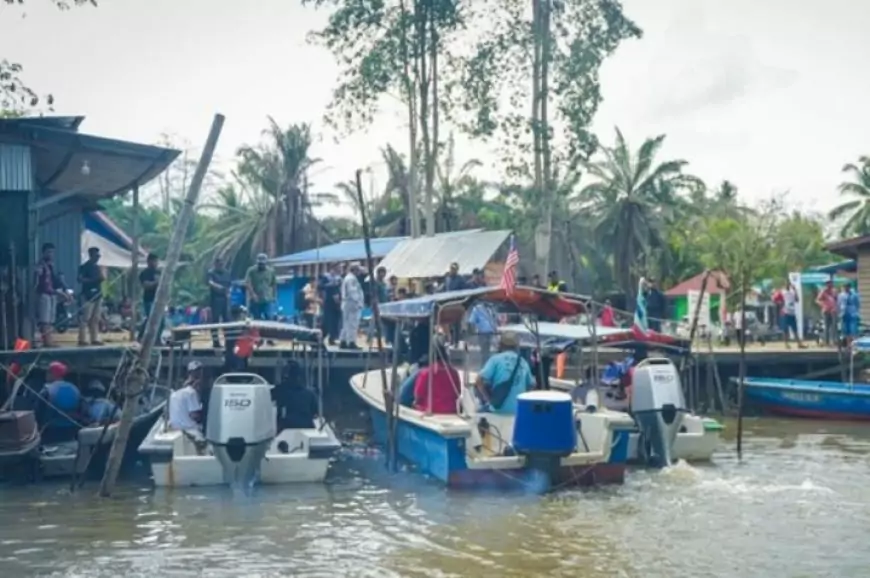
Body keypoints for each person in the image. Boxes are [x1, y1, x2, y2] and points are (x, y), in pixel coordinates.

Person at [474, 331, 534, 414]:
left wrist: (488, 399)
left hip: (498, 409)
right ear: (517, 346)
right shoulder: (523, 362)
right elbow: (531, 384)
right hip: (518, 410)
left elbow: (479, 380)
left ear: (501, 345)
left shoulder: (495, 360)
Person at [34, 242, 67, 348]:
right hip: (44, 294)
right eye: (48, 252)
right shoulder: (41, 265)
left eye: (52, 252)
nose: (51, 255)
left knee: (50, 319)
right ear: (43, 253)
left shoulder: (51, 266)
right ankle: (47, 341)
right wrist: (59, 292)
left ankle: (50, 340)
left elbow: (54, 281)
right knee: (45, 320)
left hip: (52, 294)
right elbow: (44, 284)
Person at [413, 342, 460, 414]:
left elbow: (418, 396)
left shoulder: (426, 373)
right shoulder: (454, 372)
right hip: (451, 410)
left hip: (431, 410)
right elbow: (458, 393)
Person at [168, 361, 206, 446]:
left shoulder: (174, 394)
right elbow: (195, 416)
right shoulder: (191, 393)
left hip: (175, 430)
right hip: (190, 430)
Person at [274, 361, 319, 431]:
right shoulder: (310, 394)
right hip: (307, 428)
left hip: (287, 428)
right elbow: (315, 412)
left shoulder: (281, 391)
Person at [77, 247, 104, 346]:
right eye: (96, 255)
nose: (98, 257)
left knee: (96, 318)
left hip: (98, 295)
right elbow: (80, 279)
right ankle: (82, 339)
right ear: (91, 255)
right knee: (85, 318)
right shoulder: (84, 267)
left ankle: (94, 338)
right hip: (88, 295)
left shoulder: (97, 267)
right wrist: (94, 280)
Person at [207, 256, 233, 347]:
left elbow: (230, 284)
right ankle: (215, 342)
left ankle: (228, 341)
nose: (221, 265)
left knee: (227, 321)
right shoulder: (211, 273)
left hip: (225, 299)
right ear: (216, 264)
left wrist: (228, 292)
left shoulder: (227, 273)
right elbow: (210, 283)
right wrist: (220, 288)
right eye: (219, 263)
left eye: (222, 263)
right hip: (215, 299)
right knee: (215, 321)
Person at [340, 262, 364, 349]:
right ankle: (351, 342)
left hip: (347, 303)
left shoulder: (349, 278)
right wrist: (358, 302)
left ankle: (343, 341)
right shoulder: (351, 279)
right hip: (352, 303)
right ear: (355, 270)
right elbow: (352, 292)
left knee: (346, 323)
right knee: (352, 324)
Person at [245, 253, 276, 321]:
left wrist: (274, 296)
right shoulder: (251, 270)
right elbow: (248, 283)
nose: (261, 265)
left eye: (263, 264)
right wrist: (253, 295)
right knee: (256, 319)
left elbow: (273, 284)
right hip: (256, 300)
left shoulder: (271, 271)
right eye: (260, 263)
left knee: (269, 318)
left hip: (267, 299)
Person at [138, 253, 161, 341]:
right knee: (150, 319)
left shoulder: (159, 272)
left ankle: (157, 338)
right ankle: (141, 336)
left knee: (161, 321)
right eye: (154, 261)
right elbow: (146, 285)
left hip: (159, 300)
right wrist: (156, 282)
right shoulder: (145, 273)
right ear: (149, 262)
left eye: (157, 261)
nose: (156, 263)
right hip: (149, 299)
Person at [321, 268, 342, 346]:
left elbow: (339, 289)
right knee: (327, 321)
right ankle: (321, 337)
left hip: (337, 303)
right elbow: (321, 287)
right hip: (328, 302)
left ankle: (332, 339)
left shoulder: (339, 278)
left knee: (335, 322)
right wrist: (330, 284)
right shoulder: (326, 277)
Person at [782, 281, 804, 349]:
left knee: (795, 329)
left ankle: (799, 343)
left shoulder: (792, 292)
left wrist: (795, 290)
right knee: (785, 329)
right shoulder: (783, 292)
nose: (788, 286)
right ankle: (786, 344)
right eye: (786, 284)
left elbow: (797, 300)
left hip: (792, 313)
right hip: (785, 312)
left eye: (789, 284)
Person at [815, 280, 838, 346]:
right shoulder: (823, 291)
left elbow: (836, 299)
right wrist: (823, 305)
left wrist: (835, 307)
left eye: (830, 283)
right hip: (826, 311)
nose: (829, 284)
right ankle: (826, 342)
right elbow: (817, 300)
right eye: (827, 283)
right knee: (827, 326)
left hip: (833, 310)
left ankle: (834, 341)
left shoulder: (834, 291)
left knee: (834, 326)